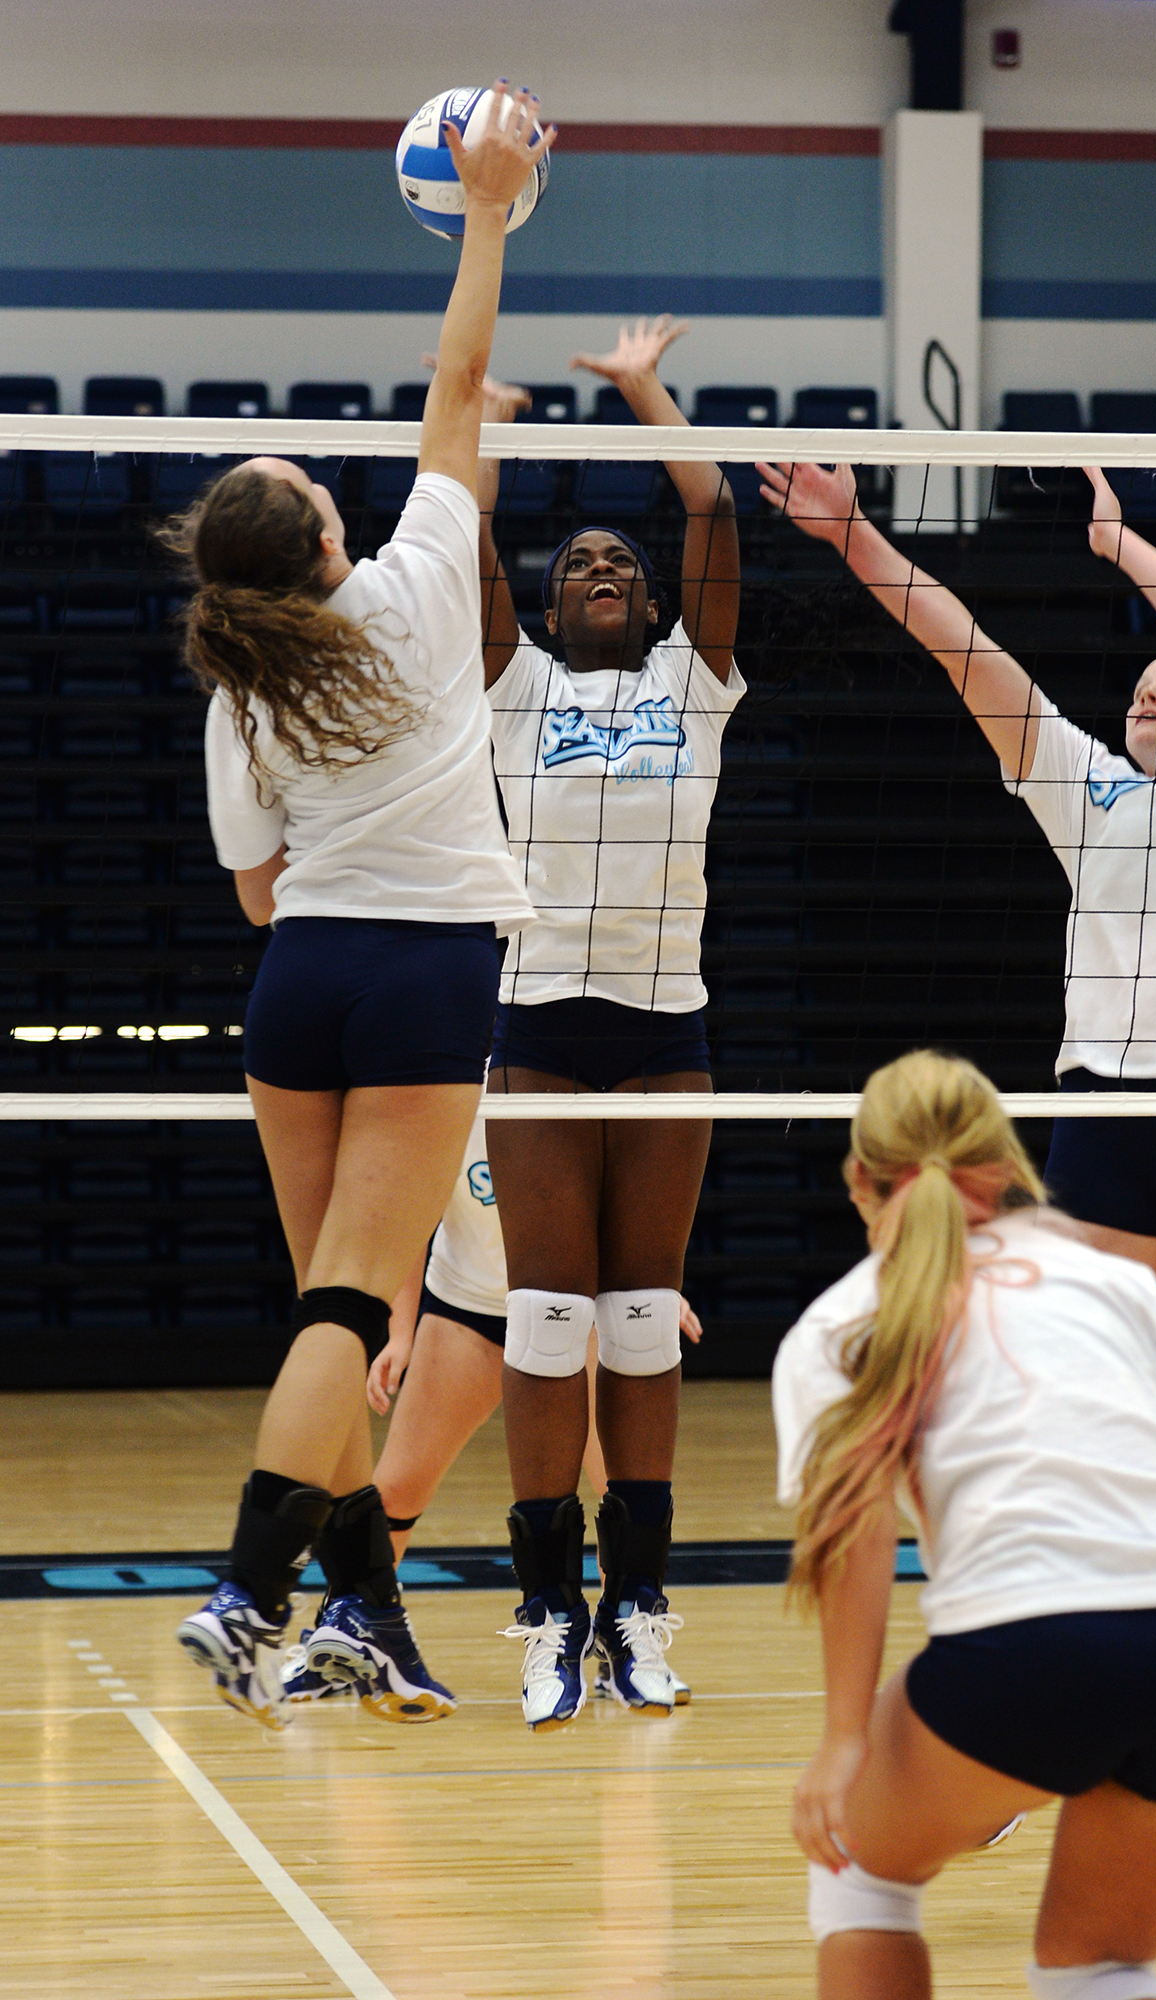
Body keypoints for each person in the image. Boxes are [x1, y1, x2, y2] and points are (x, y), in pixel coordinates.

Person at [759, 456, 1156, 1854]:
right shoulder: (1086, 795)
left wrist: (1122, 549)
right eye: (1141, 687)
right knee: (1061, 1420)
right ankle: (1013, 1728)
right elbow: (960, 647)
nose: (1152, 691)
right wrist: (856, 532)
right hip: (1109, 1123)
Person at [170, 86, 552, 1729]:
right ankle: (248, 1596)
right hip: (416, 985)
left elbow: (254, 890)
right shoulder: (413, 586)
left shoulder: (239, 696)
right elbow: (457, 387)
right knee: (351, 1311)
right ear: (328, 531)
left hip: (302, 984)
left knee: (340, 1317)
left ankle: (362, 1618)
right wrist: (489, 207)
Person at [773, 1049, 1156, 2000]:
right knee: (1103, 1967)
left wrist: (844, 1740)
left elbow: (858, 1533)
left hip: (1025, 1646)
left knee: (860, 1879)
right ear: (1003, 1169)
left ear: (856, 1181)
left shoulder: (840, 1326)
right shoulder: (1108, 1282)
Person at [479, 314, 742, 1729]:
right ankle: (544, 1613)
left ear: (648, 610)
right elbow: (463, 541)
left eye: (619, 566)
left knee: (641, 1318)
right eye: (576, 559)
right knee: (544, 1314)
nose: (600, 568)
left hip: (663, 1027)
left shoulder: (693, 688)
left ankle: (637, 1603)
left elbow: (710, 510)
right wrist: (489, 438)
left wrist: (644, 393)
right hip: (534, 1025)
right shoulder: (514, 689)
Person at [279, 1128, 701, 1712]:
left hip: (578, 1313)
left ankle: (621, 1646)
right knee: (396, 1487)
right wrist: (400, 1334)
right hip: (469, 1312)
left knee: (619, 1488)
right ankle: (347, 1632)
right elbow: (408, 1222)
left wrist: (651, 1294)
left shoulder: (570, 1084)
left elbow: (631, 1205)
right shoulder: (453, 1086)